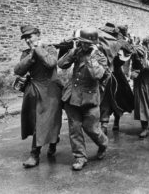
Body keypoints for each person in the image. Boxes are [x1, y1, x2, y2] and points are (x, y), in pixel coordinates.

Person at [57, 28, 108, 171]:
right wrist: (73, 51)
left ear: (93, 44)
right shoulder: (77, 52)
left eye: (87, 43)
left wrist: (92, 57)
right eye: (82, 42)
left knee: (91, 128)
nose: (84, 46)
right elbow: (61, 64)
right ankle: (80, 157)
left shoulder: (100, 57)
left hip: (90, 99)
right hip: (72, 97)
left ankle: (103, 144)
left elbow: (96, 75)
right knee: (74, 129)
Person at [14, 25, 62, 168]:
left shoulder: (50, 49)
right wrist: (31, 55)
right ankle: (39, 150)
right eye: (25, 38)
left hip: (51, 91)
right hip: (33, 91)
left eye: (30, 36)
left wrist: (38, 49)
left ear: (38, 35)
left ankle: (41, 150)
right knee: (36, 122)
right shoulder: (26, 53)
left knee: (50, 120)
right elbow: (18, 70)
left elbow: (51, 63)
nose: (28, 40)